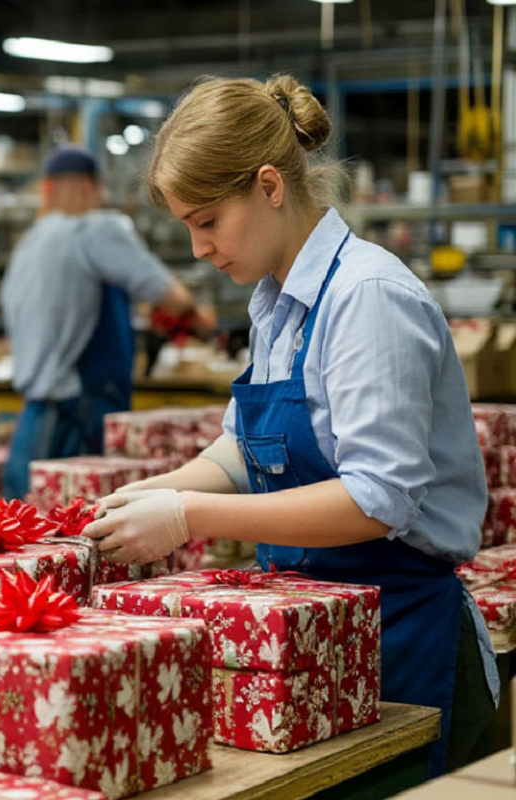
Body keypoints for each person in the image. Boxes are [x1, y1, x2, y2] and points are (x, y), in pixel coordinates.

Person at [83, 74, 497, 776]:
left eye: (207, 221)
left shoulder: (367, 298)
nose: (197, 250)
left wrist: (187, 517)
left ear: (269, 186)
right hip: (306, 634)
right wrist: (153, 492)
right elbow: (248, 449)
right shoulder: (276, 303)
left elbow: (377, 499)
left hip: (398, 641)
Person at [1, 145, 203, 498]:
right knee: (78, 525)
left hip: (35, 412)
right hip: (77, 410)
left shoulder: (29, 242)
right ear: (87, 188)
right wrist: (197, 316)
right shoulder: (94, 230)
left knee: (26, 526)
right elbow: (169, 295)